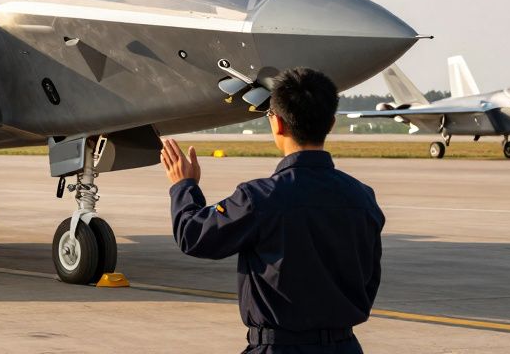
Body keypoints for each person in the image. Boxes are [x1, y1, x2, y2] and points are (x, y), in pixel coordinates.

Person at [160, 68, 384, 353]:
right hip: (345, 346)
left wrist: (184, 186)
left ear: (277, 123)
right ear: (330, 124)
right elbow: (369, 279)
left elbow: (193, 236)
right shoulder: (363, 198)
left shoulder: (259, 198)